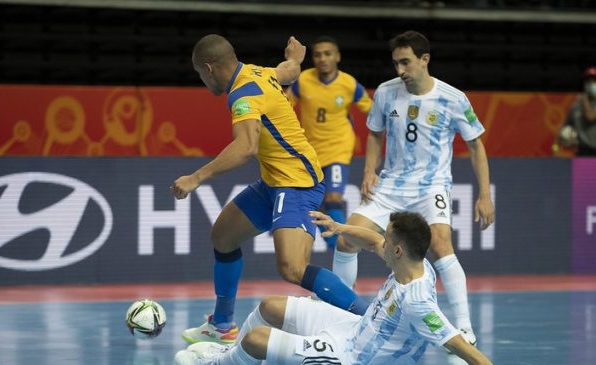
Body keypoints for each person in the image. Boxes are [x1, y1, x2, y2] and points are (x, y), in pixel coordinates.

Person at [171, 34, 368, 345]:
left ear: (209, 67)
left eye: (199, 73)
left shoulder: (242, 93)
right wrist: (295, 59)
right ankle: (221, 325)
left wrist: (196, 177)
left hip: (298, 182)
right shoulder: (257, 71)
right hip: (275, 181)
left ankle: (369, 320)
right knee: (222, 237)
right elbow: (286, 72)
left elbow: (246, 147)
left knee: (292, 267)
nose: (201, 80)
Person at [332, 30, 495, 346]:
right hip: (391, 185)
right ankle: (342, 313)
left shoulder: (453, 98)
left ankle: (463, 328)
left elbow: (476, 146)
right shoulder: (385, 92)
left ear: (425, 60)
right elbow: (375, 134)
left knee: (440, 244)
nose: (400, 71)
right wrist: (369, 171)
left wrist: (485, 195)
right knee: (346, 239)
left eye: (406, 63)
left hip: (430, 186)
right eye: (395, 64)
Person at [174, 211, 494, 365]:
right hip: (354, 328)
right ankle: (231, 352)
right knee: (270, 306)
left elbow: (464, 349)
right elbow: (373, 240)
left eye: (389, 240)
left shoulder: (419, 303)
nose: (382, 242)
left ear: (398, 251)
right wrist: (341, 228)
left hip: (351, 358)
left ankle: (220, 364)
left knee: (257, 340)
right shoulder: (413, 261)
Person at [286, 36, 373, 250]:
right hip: (309, 152)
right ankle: (335, 245)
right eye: (317, 54)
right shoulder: (303, 80)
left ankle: (342, 249)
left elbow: (373, 112)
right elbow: (285, 106)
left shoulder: (349, 84)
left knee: (333, 199)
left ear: (337, 56)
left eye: (328, 54)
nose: (322, 58)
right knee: (312, 204)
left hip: (338, 150)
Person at [555, 66, 596, 157]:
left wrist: (584, 99)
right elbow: (564, 129)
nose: (591, 84)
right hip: (582, 153)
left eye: (595, 80)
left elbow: (590, 116)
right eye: (589, 81)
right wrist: (564, 141)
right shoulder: (576, 106)